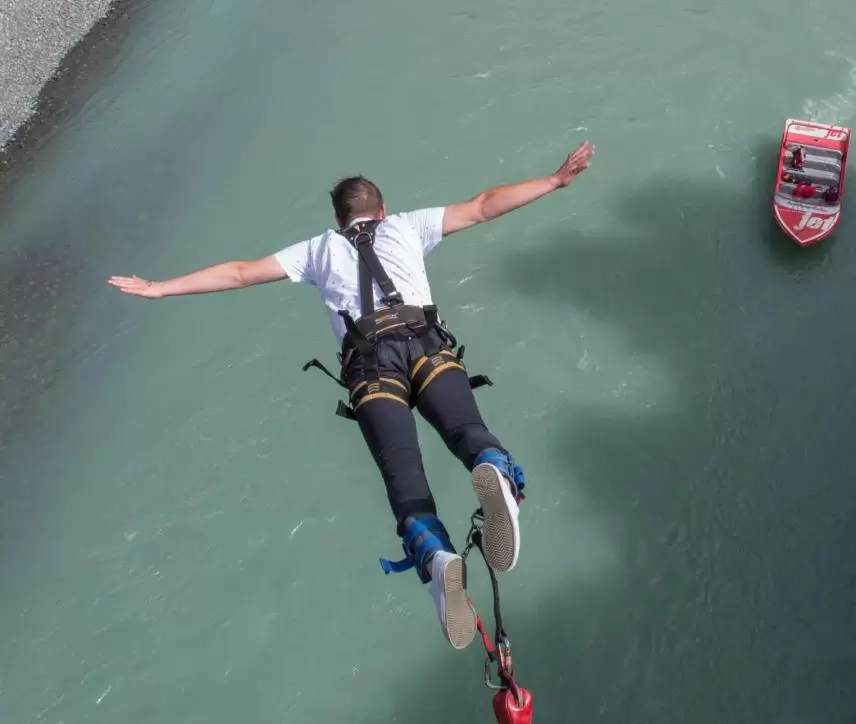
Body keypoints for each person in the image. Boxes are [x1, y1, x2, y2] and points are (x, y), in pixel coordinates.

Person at [108, 140, 597, 651]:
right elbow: (482, 206)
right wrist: (554, 180)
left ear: (339, 220)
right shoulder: (406, 226)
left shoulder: (317, 250)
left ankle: (437, 558)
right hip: (427, 348)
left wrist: (161, 287)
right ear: (381, 210)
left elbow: (238, 272)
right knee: (467, 433)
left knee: (403, 476)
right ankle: (493, 469)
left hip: (370, 369)